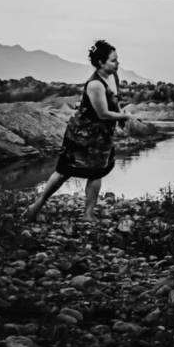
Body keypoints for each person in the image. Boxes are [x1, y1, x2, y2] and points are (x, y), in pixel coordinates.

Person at [24, 40, 137, 222]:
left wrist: (121, 112)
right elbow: (103, 113)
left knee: (97, 172)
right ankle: (35, 206)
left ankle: (88, 214)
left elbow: (114, 103)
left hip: (102, 135)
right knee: (64, 171)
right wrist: (125, 118)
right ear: (101, 62)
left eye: (117, 60)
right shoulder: (95, 85)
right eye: (113, 60)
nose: (118, 63)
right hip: (82, 134)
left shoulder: (113, 77)